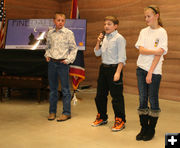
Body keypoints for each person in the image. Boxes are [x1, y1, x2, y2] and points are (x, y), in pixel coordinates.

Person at [135, 5, 168, 141]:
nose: (146, 19)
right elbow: (141, 50)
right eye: (145, 17)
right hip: (140, 69)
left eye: (149, 16)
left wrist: (150, 72)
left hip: (154, 71)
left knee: (152, 98)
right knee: (142, 98)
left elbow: (159, 56)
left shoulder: (162, 32)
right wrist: (155, 51)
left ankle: (151, 129)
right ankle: (143, 127)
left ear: (156, 16)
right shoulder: (143, 31)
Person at [91, 16, 127, 132]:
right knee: (100, 95)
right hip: (104, 69)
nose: (106, 26)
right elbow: (97, 53)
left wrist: (117, 72)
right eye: (105, 24)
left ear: (115, 26)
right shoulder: (104, 38)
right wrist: (98, 41)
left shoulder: (119, 38)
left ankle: (120, 119)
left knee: (116, 97)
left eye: (109, 24)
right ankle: (102, 117)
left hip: (114, 69)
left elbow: (122, 58)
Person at [45, 13, 78, 122]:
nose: (60, 22)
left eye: (63, 20)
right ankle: (52, 112)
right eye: (58, 20)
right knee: (53, 89)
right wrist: (47, 55)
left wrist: (68, 60)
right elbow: (48, 47)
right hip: (52, 64)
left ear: (65, 22)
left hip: (63, 64)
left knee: (65, 89)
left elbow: (74, 49)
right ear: (54, 21)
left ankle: (66, 113)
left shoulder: (69, 33)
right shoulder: (50, 33)